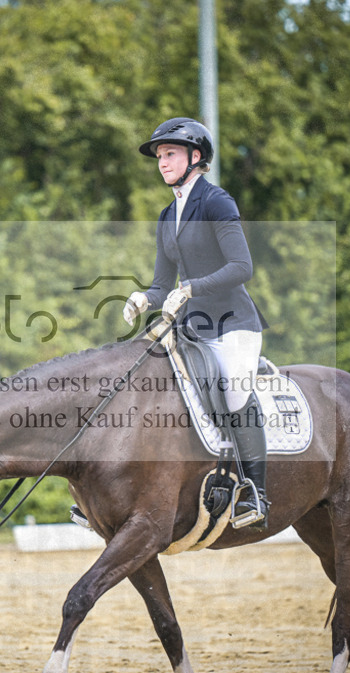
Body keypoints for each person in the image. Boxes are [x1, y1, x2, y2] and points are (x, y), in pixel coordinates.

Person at [123, 117, 271, 528]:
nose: (162, 162)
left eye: (169, 153)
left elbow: (242, 267)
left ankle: (255, 493)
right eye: (159, 156)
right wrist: (142, 298)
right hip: (191, 328)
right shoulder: (167, 214)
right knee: (148, 384)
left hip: (233, 325)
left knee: (236, 393)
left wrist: (190, 288)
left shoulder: (216, 202)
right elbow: (160, 285)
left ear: (195, 157)